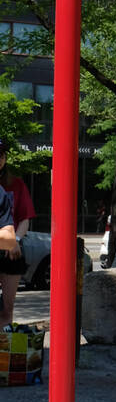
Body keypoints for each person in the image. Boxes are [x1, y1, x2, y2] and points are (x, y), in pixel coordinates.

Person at [0, 138, 35, 325]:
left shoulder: (16, 184)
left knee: (8, 308)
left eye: (1, 155)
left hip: (11, 250)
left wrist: (16, 241)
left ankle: (3, 349)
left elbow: (24, 219)